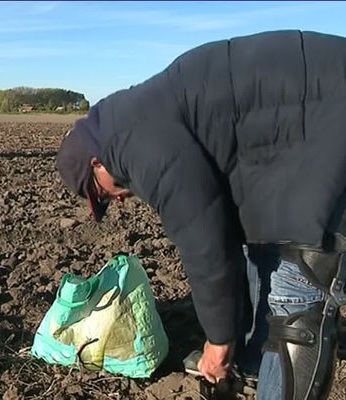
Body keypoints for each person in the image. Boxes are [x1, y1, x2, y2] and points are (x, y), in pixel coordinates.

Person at [56, 30, 346, 400]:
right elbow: (229, 228)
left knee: (299, 289)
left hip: (331, 118)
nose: (117, 200)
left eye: (102, 193)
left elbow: (205, 241)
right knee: (260, 246)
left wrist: (219, 342)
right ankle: (257, 362)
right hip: (303, 129)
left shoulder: (139, 145)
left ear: (98, 163)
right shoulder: (127, 120)